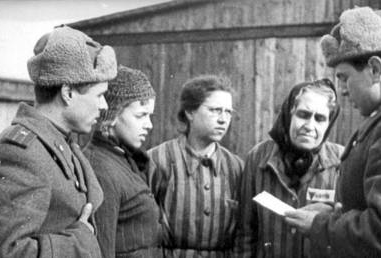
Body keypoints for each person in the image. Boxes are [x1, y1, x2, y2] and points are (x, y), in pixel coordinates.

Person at [284, 6, 381, 258]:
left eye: (344, 77)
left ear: (376, 69)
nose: (342, 90)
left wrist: (319, 225)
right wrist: (334, 212)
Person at [0, 25, 117, 257]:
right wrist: (79, 241)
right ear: (68, 93)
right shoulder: (20, 154)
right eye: (99, 95)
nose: (104, 107)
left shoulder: (58, 142)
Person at [233, 79, 344, 257]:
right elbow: (245, 233)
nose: (310, 126)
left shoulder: (341, 161)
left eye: (320, 118)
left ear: (328, 123)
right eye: (303, 115)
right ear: (289, 113)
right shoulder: (259, 157)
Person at [148, 75, 243, 257]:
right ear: (190, 113)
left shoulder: (236, 168)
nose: (223, 119)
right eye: (215, 110)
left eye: (228, 112)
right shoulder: (157, 160)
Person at [84, 65, 164, 258]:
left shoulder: (122, 159)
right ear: (112, 115)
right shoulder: (101, 168)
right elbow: (102, 249)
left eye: (149, 116)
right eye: (141, 115)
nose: (149, 124)